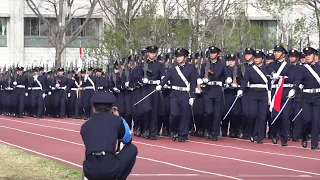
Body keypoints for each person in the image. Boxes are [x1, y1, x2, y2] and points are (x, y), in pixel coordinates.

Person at [81, 91, 138, 179]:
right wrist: (119, 118)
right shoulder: (117, 121)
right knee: (132, 148)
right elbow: (128, 140)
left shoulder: (85, 126)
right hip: (110, 170)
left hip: (89, 171)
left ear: (94, 109)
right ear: (112, 109)